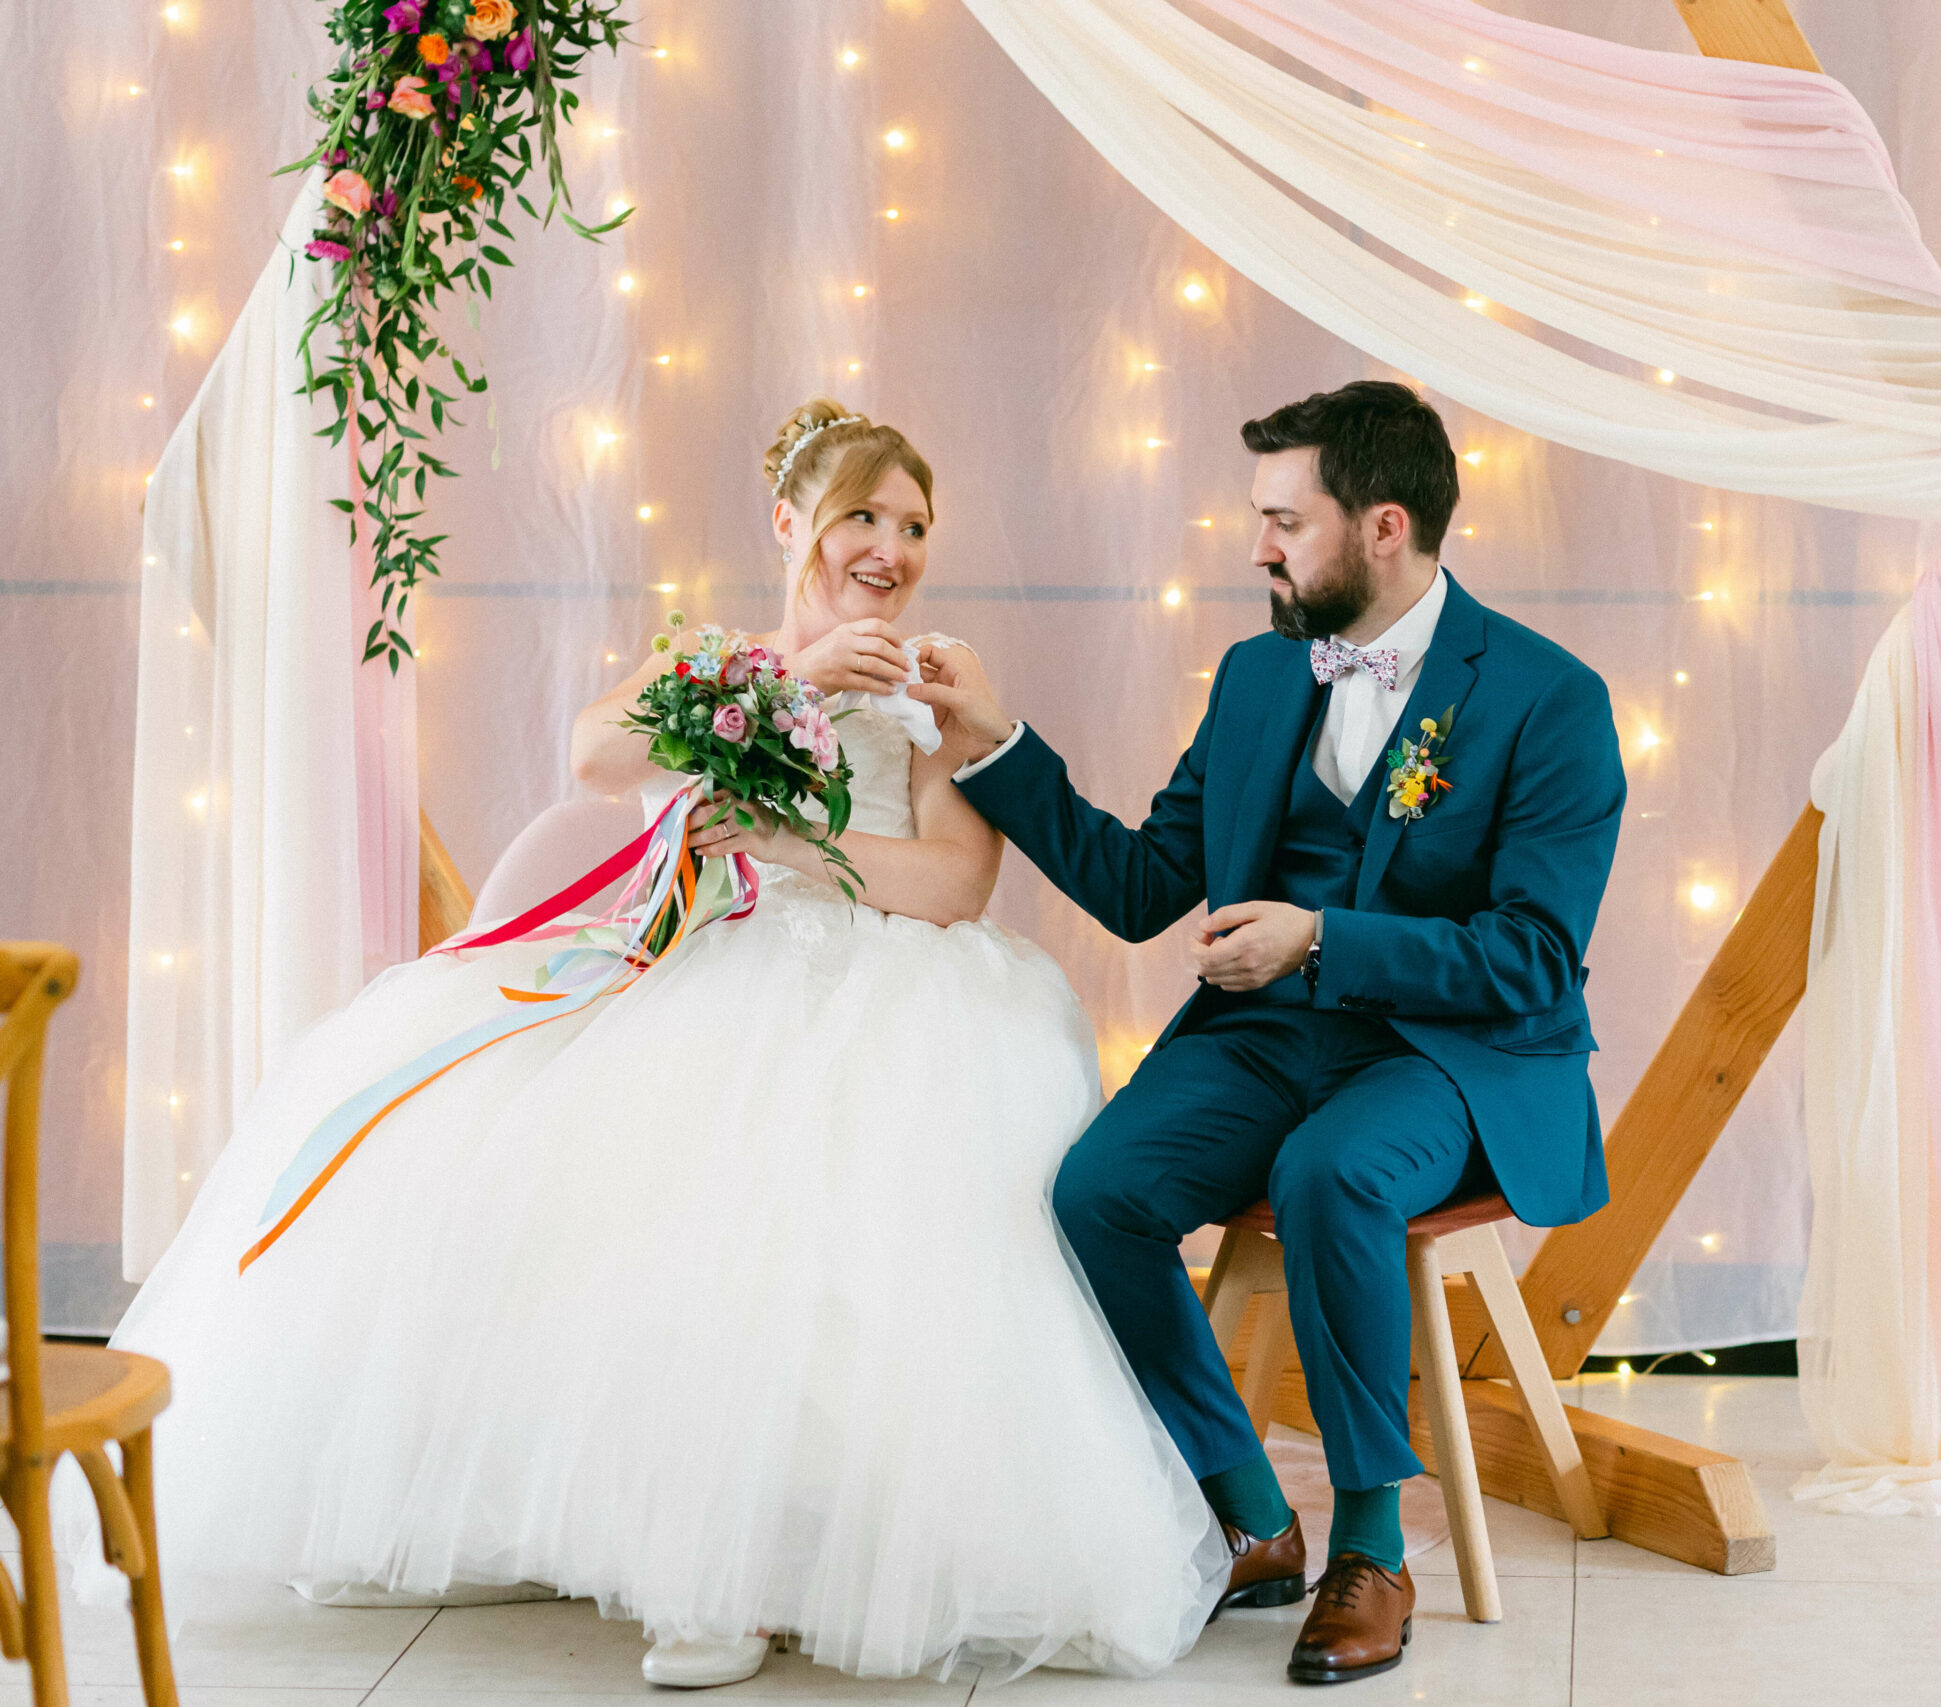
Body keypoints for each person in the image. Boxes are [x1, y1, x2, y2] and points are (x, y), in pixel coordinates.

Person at [91, 400, 1226, 1687]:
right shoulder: (718, 659)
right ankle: (549, 1515)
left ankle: (746, 1566)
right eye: (860, 514)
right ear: (789, 522)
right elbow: (594, 756)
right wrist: (785, 682)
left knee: (806, 1194)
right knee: (517, 1148)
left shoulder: (929, 680)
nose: (891, 548)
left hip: (878, 966)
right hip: (696, 952)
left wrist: (790, 843)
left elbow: (952, 886)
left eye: (913, 526)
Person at [910, 380, 1626, 1686]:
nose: (1258, 547)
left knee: (1331, 1171)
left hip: (1449, 1053)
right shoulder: (1255, 674)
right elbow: (1142, 886)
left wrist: (1321, 939)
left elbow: (1530, 956)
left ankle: (1372, 1551)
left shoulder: (1549, 698)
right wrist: (995, 741)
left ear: (1385, 526)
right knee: (1097, 1189)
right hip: (1263, 1037)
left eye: (1285, 520)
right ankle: (1248, 1509)